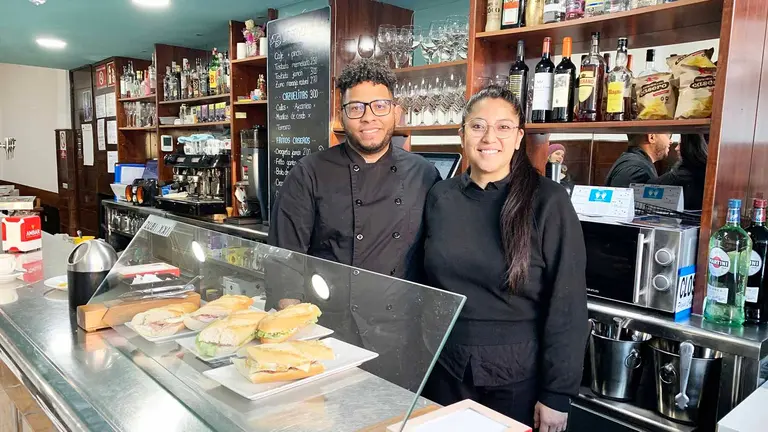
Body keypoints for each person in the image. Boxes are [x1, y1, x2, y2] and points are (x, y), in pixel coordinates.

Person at [422, 86, 588, 432]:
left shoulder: (549, 201)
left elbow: (568, 303)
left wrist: (557, 393)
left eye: (503, 127)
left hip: (517, 379)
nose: (489, 138)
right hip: (445, 370)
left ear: (518, 138)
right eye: (478, 126)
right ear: (462, 134)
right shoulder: (440, 196)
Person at [268, 58, 440, 292]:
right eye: (356, 108)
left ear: (396, 113)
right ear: (341, 116)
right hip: (329, 318)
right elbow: (284, 261)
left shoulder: (424, 173)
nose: (368, 117)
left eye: (380, 106)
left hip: (401, 320)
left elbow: (437, 257)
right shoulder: (308, 173)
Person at [649, 133, 708, 210]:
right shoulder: (707, 172)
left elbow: (647, 189)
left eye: (680, 144)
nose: (676, 148)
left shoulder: (680, 176)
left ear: (688, 148)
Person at [605, 133, 672, 187]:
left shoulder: (634, 163)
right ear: (651, 137)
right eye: (669, 135)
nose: (670, 141)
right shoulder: (636, 170)